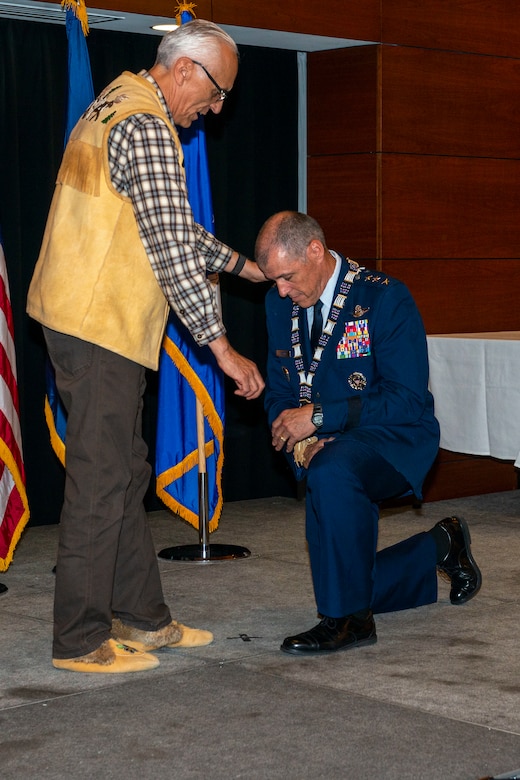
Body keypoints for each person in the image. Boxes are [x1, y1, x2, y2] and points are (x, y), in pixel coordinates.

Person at [26, 20, 265, 673]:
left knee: (123, 469)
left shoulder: (116, 101)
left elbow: (169, 221)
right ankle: (77, 638)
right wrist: (223, 349)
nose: (216, 110)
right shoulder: (147, 125)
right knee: (101, 480)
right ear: (185, 70)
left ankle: (144, 615)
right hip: (98, 325)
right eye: (216, 93)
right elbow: (171, 253)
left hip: (86, 321)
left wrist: (244, 266)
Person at [256, 211, 482, 656]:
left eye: (286, 276)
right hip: (324, 447)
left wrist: (320, 418)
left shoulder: (385, 298)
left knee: (334, 470)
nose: (280, 290)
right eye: (273, 280)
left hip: (395, 438)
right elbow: (279, 393)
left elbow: (406, 400)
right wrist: (300, 442)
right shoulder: (278, 304)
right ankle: (439, 546)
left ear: (316, 251)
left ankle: (350, 622)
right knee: (343, 573)